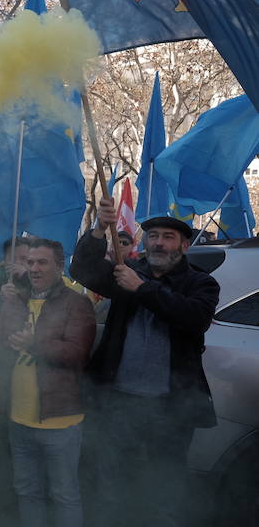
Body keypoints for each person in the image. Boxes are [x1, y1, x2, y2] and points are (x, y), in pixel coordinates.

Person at [69, 199, 219, 527]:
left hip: (170, 410)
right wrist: (97, 229)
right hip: (119, 404)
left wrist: (143, 289)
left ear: (184, 244)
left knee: (164, 489)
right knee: (111, 483)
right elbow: (82, 270)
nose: (159, 243)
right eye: (152, 236)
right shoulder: (127, 273)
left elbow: (193, 318)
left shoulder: (201, 283)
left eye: (167, 236)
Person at [0, 238, 95, 527]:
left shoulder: (77, 303)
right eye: (30, 262)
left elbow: (77, 354)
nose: (34, 268)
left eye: (42, 262)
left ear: (59, 266)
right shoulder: (20, 298)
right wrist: (5, 310)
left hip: (59, 421)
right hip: (19, 418)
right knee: (27, 491)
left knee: (64, 494)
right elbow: (2, 345)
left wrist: (34, 343)